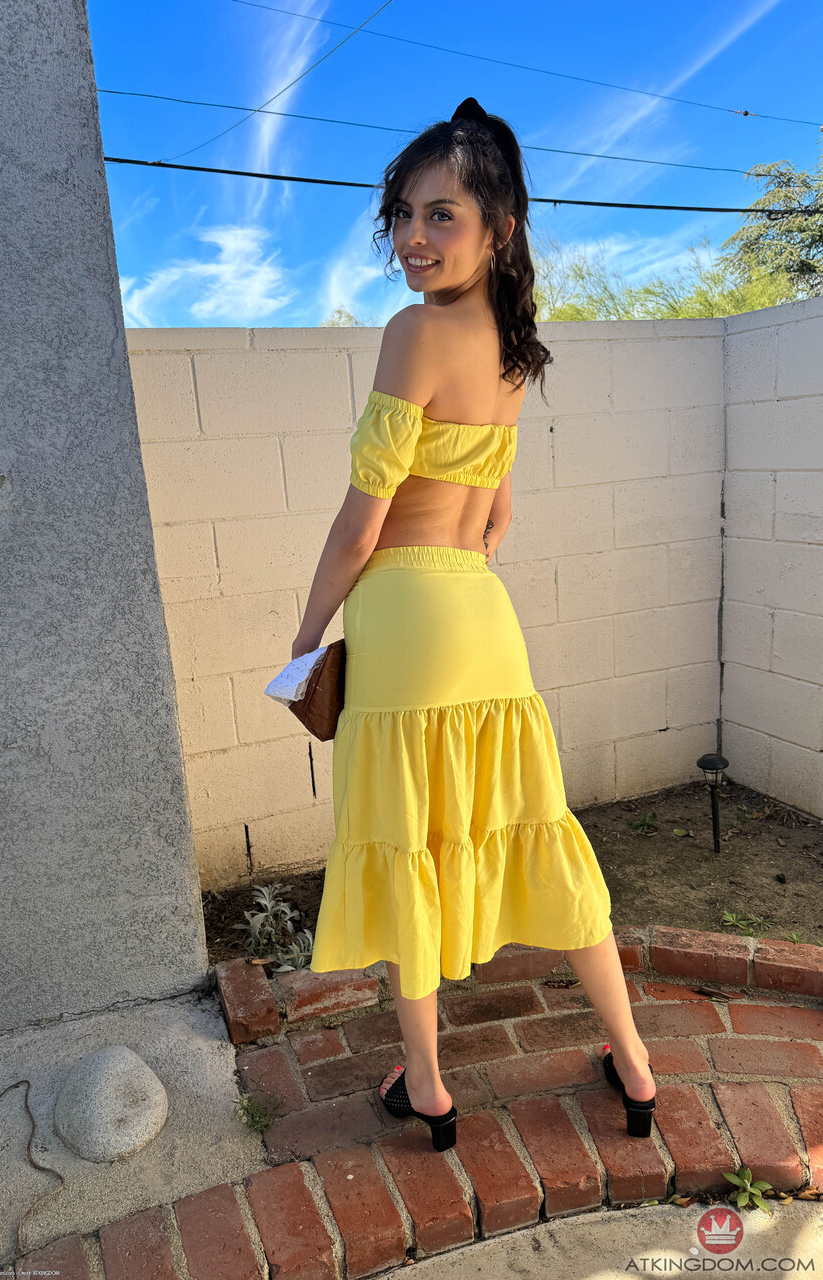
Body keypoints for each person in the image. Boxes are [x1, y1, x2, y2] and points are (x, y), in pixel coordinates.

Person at [294, 98, 656, 1150]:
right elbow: (496, 519)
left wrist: (304, 640)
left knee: (404, 840)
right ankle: (634, 1064)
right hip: (481, 615)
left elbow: (361, 524)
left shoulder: (414, 333)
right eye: (403, 215)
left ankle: (428, 1083)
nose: (412, 237)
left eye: (439, 215)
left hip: (404, 612)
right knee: (537, 829)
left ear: (499, 227)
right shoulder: (511, 350)